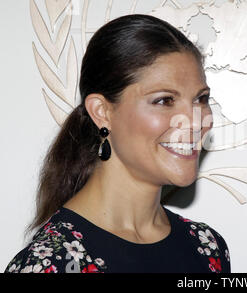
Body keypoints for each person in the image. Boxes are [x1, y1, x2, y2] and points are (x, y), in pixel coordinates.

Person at [4, 14, 230, 273]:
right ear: (102, 111)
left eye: (201, 99)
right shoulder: (51, 263)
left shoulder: (206, 246)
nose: (195, 121)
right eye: (165, 100)